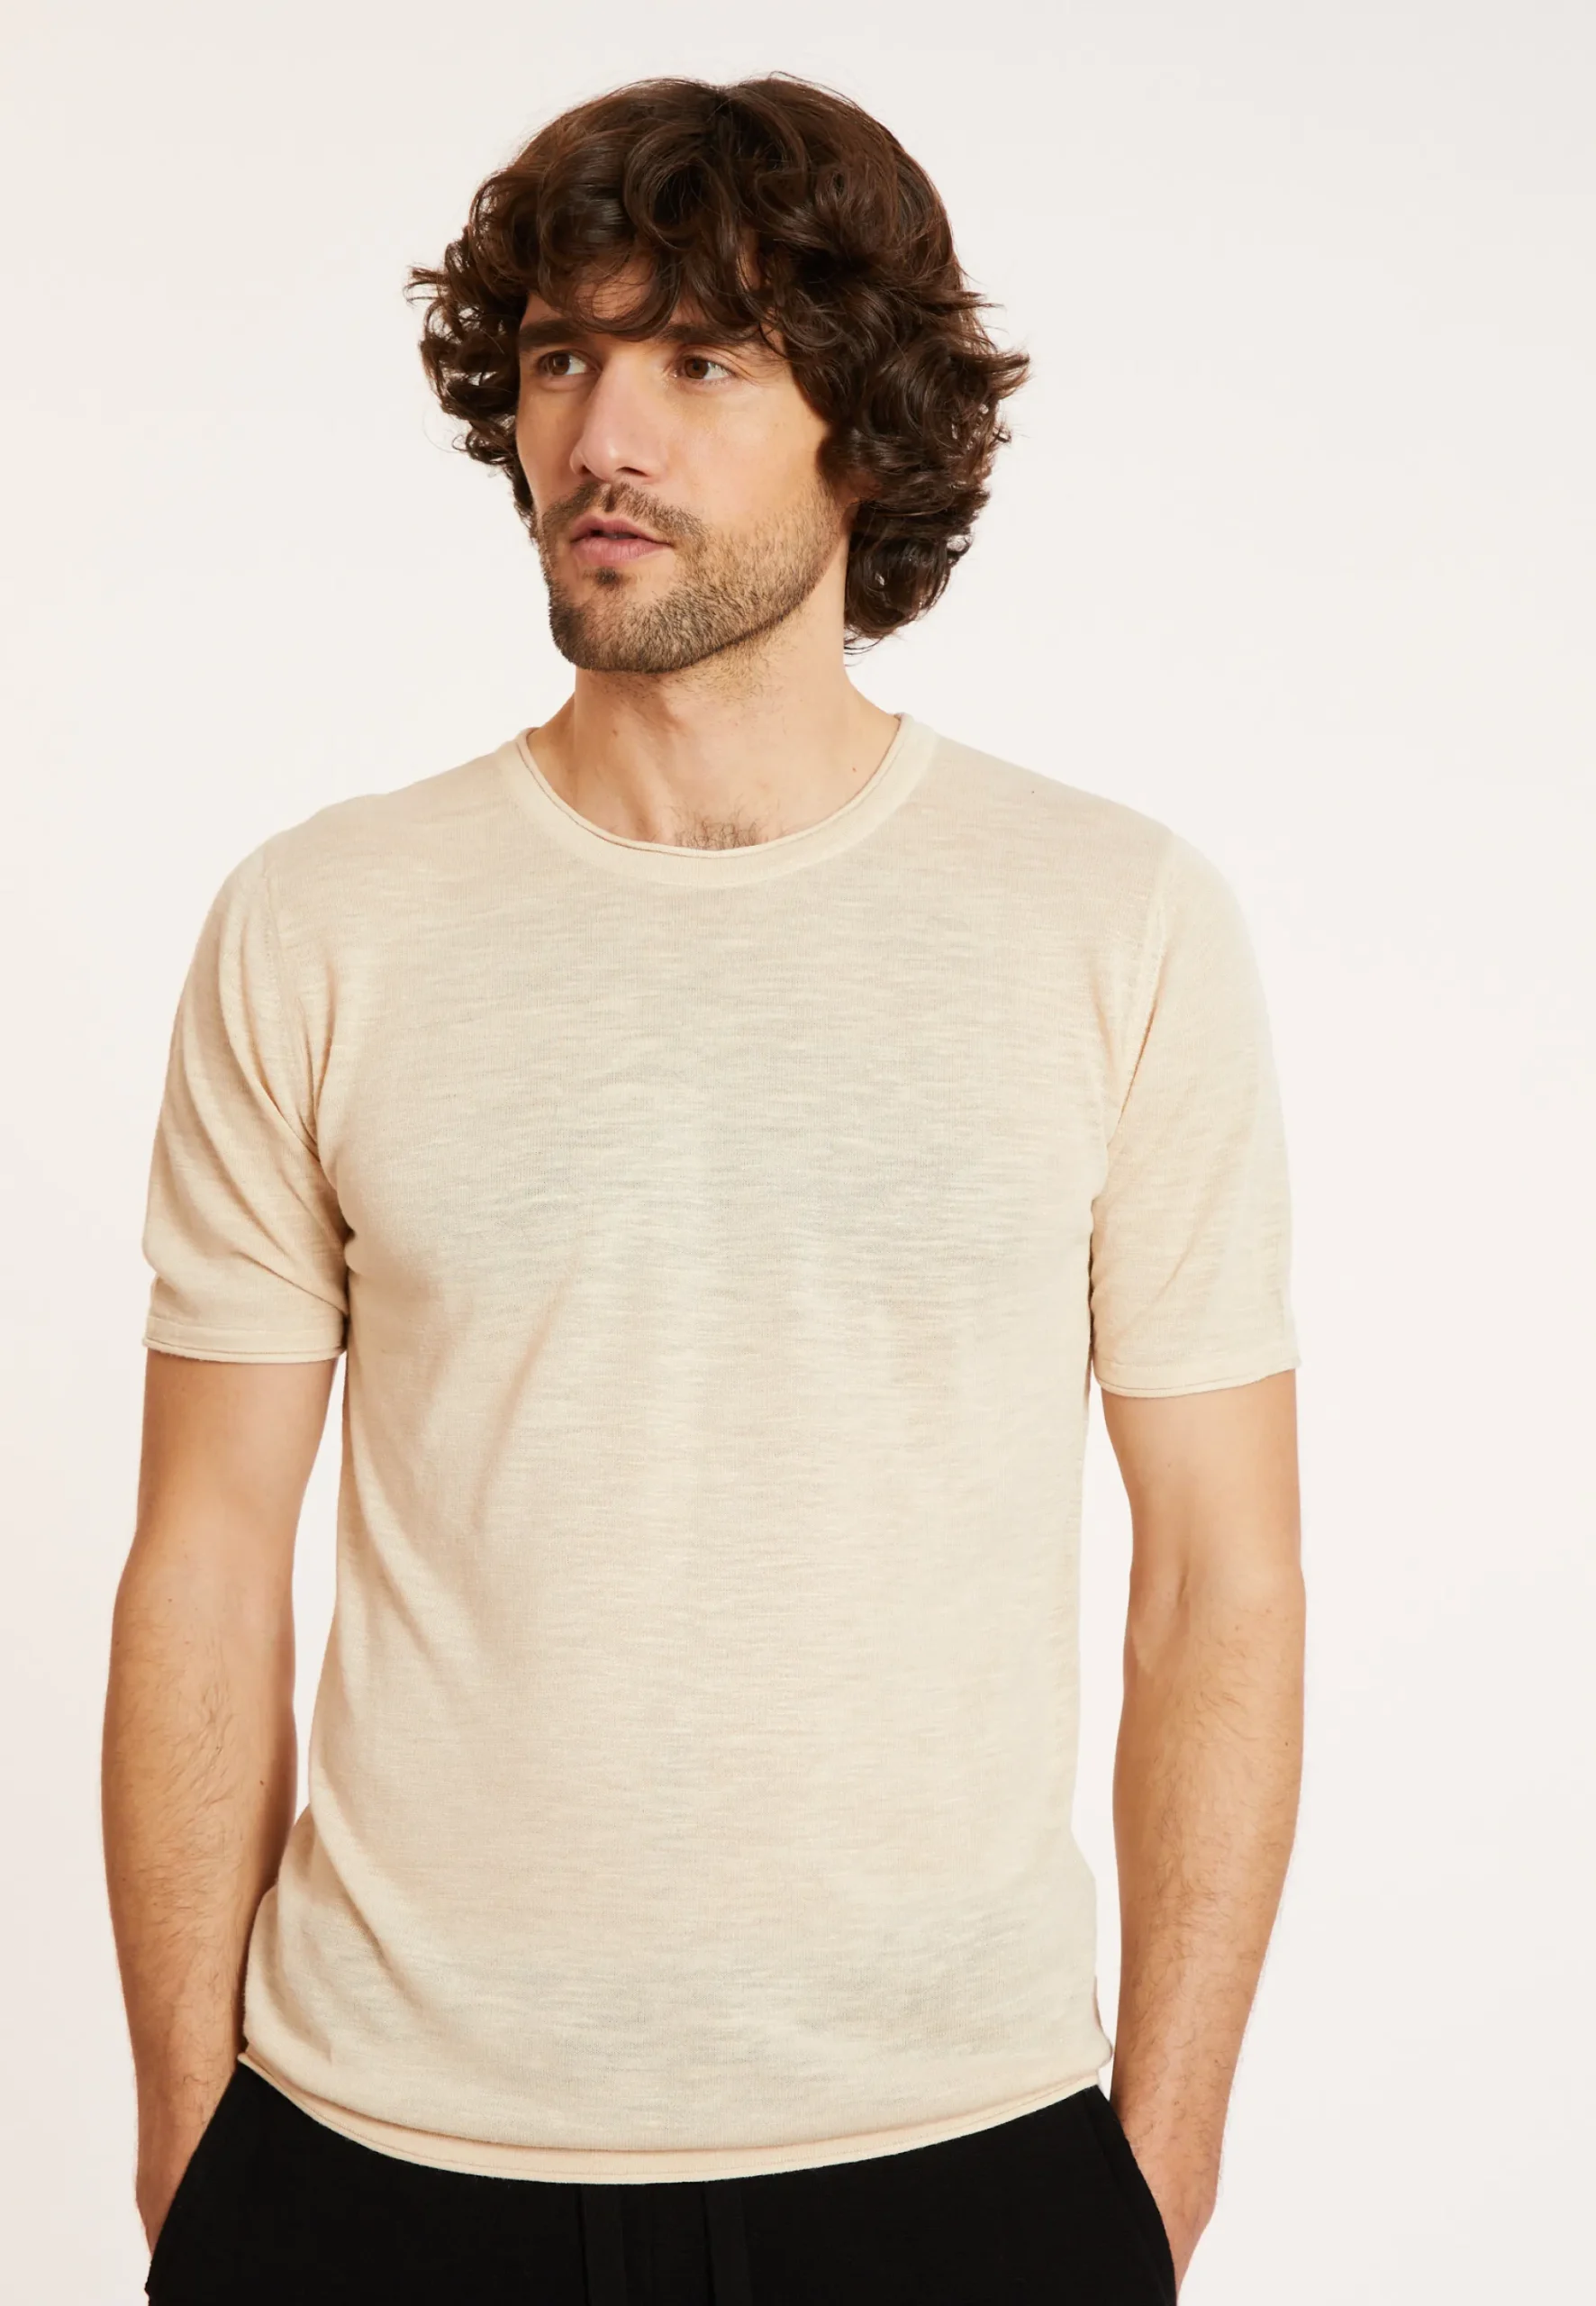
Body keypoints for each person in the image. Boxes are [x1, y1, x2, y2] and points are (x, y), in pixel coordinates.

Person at [102, 71, 1303, 2306]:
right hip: (372, 2153)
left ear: (868, 429)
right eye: (562, 356)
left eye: (701, 361)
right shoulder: (323, 921)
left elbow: (1219, 1577)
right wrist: (192, 2133)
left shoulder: (1110, 921)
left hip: (955, 2150)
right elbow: (204, 1553)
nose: (603, 435)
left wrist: (1158, 2154)